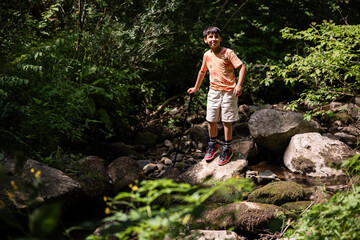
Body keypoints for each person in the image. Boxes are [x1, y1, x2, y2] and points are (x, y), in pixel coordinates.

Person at [187, 26, 246, 166]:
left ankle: (227, 148)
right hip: (213, 91)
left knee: (226, 121)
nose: (213, 39)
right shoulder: (207, 55)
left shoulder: (228, 53)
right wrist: (195, 87)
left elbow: (242, 67)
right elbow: (202, 71)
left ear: (220, 38)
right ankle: (212, 145)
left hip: (229, 92)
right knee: (211, 120)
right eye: (210, 37)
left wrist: (238, 85)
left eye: (216, 36)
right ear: (205, 40)